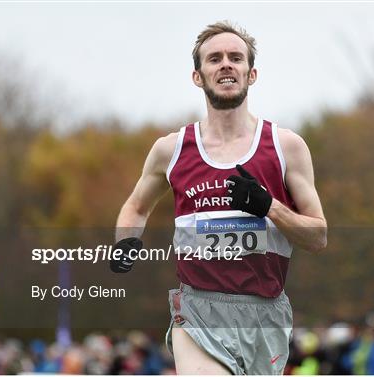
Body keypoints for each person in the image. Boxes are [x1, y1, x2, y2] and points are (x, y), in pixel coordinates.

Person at [111, 21, 327, 375]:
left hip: (265, 313)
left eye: (235, 57)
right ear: (198, 76)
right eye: (214, 59)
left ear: (250, 73)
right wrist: (126, 241)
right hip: (198, 309)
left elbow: (318, 235)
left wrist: (269, 206)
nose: (225, 64)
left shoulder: (286, 147)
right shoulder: (172, 149)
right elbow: (136, 205)